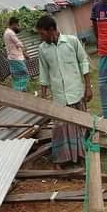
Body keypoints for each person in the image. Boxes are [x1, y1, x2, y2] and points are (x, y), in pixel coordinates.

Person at [36, 15, 92, 166]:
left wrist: (88, 87)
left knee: (79, 126)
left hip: (76, 93)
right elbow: (44, 73)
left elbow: (83, 61)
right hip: (59, 97)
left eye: (42, 33)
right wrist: (43, 96)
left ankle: (81, 156)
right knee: (61, 128)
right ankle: (64, 158)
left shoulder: (72, 41)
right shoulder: (42, 49)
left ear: (52, 30)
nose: (41, 37)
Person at [3, 16, 29, 91]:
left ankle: (18, 91)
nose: (18, 27)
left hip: (12, 58)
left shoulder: (7, 32)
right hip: (16, 58)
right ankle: (21, 91)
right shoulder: (10, 33)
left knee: (17, 76)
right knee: (23, 74)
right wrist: (25, 54)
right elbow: (19, 44)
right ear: (14, 24)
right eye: (18, 25)